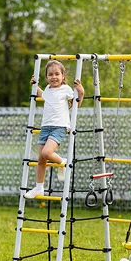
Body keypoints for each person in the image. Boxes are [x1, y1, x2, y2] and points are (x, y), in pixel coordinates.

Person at [24, 60, 84, 199]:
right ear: (46, 77)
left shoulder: (67, 89)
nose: (54, 77)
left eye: (57, 74)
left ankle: (62, 162)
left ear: (63, 76)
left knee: (46, 152)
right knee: (41, 159)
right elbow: (41, 94)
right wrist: (35, 85)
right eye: (50, 74)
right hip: (46, 127)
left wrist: (81, 93)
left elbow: (76, 105)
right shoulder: (48, 90)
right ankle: (39, 187)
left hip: (59, 126)